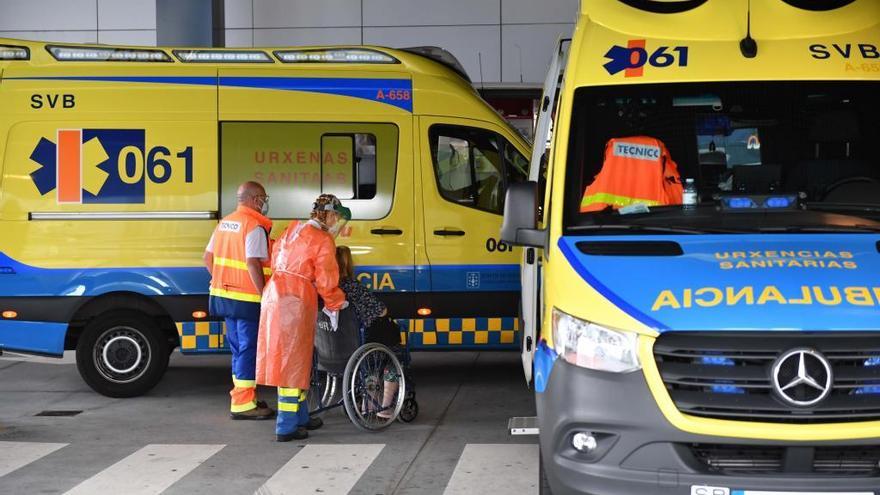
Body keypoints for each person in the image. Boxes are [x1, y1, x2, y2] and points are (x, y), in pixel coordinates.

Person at [256, 193, 351, 441]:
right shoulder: (322, 239)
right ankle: (286, 426)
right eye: (336, 216)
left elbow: (276, 255)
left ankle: (301, 416)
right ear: (329, 214)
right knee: (291, 362)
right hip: (295, 300)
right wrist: (336, 303)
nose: (336, 221)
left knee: (295, 360)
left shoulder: (293, 229)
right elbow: (327, 277)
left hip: (275, 295)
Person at [204, 181, 274, 420]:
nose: (265, 204)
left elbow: (207, 258)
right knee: (248, 350)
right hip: (246, 299)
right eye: (263, 199)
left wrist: (223, 279)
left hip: (224, 296)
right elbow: (253, 262)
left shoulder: (225, 223)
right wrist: (264, 294)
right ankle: (244, 405)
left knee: (237, 349)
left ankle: (243, 396)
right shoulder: (253, 225)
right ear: (255, 200)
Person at [335, 246, 400, 419]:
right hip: (362, 342)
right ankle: (384, 406)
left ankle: (368, 403)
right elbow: (382, 311)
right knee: (392, 355)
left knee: (371, 358)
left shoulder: (326, 289)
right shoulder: (353, 287)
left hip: (336, 345)